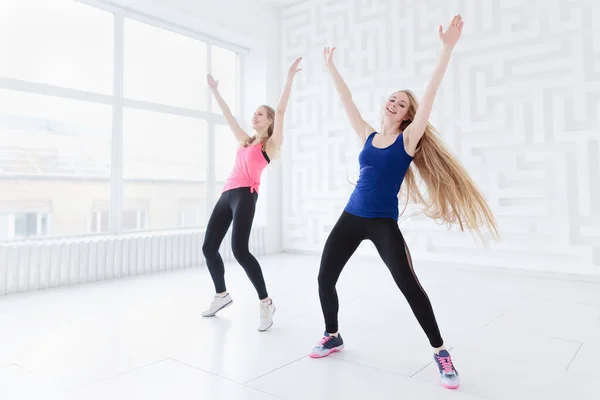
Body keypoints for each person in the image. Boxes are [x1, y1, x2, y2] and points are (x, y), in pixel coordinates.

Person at [309, 15, 498, 390]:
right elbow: (346, 99)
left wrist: (447, 48)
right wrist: (331, 67)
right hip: (351, 216)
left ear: (409, 115)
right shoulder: (368, 134)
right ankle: (333, 334)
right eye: (392, 100)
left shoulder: (408, 140)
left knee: (409, 285)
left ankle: (441, 351)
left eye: (401, 103)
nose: (395, 104)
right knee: (324, 277)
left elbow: (429, 94)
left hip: (382, 223)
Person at [201, 57, 303, 331]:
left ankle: (266, 302)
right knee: (208, 247)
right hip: (227, 194)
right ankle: (221, 295)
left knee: (239, 249)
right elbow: (228, 116)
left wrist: (289, 79)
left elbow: (281, 111)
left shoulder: (270, 145)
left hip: (246, 194)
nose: (255, 116)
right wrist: (215, 91)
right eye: (254, 113)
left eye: (260, 114)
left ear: (269, 121)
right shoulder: (245, 141)